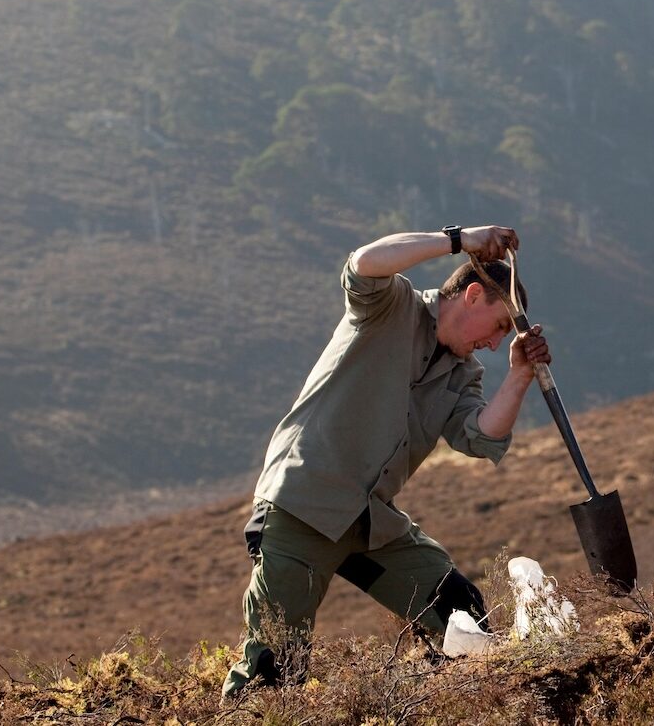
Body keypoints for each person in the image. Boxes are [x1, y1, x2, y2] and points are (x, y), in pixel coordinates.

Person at [222, 224, 549, 697]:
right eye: (500, 326)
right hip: (301, 508)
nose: (497, 344)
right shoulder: (390, 306)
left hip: (371, 523)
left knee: (460, 614)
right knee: (273, 675)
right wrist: (461, 240)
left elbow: (480, 436)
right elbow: (364, 262)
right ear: (473, 296)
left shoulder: (462, 375)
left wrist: (519, 376)